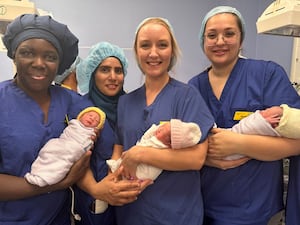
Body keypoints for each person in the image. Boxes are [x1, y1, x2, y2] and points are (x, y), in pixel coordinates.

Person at [188, 6, 300, 225]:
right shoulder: (193, 88)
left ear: (241, 39)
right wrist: (206, 157)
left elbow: (297, 142)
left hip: (258, 211)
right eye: (212, 35)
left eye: (229, 33)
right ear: (203, 41)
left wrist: (238, 143)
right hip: (205, 209)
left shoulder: (267, 75)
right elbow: (188, 146)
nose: (220, 41)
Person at [111, 17, 215, 225]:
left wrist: (142, 153)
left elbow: (196, 159)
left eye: (162, 45)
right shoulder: (126, 102)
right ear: (137, 51)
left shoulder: (187, 96)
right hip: (131, 213)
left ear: (172, 51)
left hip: (177, 215)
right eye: (145, 45)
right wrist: (114, 179)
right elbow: (119, 148)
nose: (153, 53)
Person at [0, 14, 92, 225]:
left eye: (50, 57)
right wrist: (53, 184)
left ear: (60, 65)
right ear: (14, 55)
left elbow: (102, 132)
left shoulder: (71, 101)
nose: (39, 63)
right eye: (27, 53)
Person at [73, 41, 149, 225]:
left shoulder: (134, 106)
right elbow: (72, 160)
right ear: (92, 73)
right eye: (105, 70)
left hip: (132, 201)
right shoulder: (82, 109)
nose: (113, 77)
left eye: (118, 70)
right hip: (96, 201)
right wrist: (96, 189)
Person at [25, 106, 106, 187]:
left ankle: (46, 178)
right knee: (49, 148)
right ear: (80, 116)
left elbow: (86, 147)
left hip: (73, 149)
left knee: (63, 160)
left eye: (96, 120)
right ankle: (38, 170)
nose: (92, 119)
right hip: (61, 142)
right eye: (90, 115)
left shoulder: (91, 133)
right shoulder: (74, 123)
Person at [107, 119, 202, 180]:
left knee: (138, 175)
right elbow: (119, 146)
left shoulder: (161, 145)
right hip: (125, 164)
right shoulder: (124, 102)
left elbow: (197, 159)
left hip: (145, 172)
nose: (161, 129)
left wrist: (138, 153)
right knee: (119, 167)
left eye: (166, 134)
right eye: (164, 126)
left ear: (169, 143)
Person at [223, 104, 300, 160]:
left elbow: (250, 128)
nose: (262, 111)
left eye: (268, 111)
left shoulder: (270, 126)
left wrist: (262, 122)